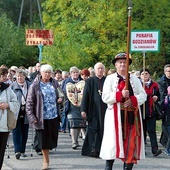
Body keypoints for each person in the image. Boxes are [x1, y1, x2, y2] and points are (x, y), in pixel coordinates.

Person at [99, 53, 147, 170]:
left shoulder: (135, 79)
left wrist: (133, 100)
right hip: (115, 118)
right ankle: (108, 167)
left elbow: (143, 95)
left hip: (131, 118)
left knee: (130, 145)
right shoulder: (109, 79)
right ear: (115, 65)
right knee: (112, 144)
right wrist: (120, 95)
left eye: (125, 62)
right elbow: (105, 97)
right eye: (120, 62)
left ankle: (127, 167)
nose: (122, 64)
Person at [26, 64, 62, 170]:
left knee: (52, 139)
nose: (47, 74)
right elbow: (29, 103)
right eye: (45, 72)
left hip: (53, 116)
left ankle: (47, 156)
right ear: (41, 73)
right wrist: (32, 117)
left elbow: (61, 94)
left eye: (49, 72)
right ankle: (46, 162)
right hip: (41, 118)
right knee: (44, 141)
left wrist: (60, 99)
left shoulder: (54, 83)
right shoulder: (35, 85)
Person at [81, 62, 107, 158]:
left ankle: (100, 149)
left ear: (104, 70)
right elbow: (85, 96)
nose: (100, 70)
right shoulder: (90, 81)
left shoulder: (107, 80)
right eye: (98, 68)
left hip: (105, 109)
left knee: (102, 129)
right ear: (95, 70)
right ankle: (92, 149)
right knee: (93, 129)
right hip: (93, 109)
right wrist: (83, 110)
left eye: (101, 68)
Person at [0, 67, 20, 169]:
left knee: (1, 152)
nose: (4, 77)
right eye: (2, 75)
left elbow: (16, 103)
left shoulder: (7, 89)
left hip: (4, 125)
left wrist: (8, 105)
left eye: (4, 75)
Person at [140, 68, 162, 156]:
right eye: (142, 74)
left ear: (149, 75)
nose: (144, 75)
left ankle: (155, 149)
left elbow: (159, 95)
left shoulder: (155, 85)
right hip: (141, 111)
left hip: (151, 111)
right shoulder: (138, 85)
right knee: (141, 131)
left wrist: (156, 97)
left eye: (146, 73)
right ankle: (142, 149)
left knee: (151, 130)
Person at [10, 69, 32, 159]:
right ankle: (17, 151)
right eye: (18, 76)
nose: (19, 78)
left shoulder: (30, 86)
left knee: (25, 132)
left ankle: (23, 150)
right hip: (15, 111)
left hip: (26, 111)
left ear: (25, 77)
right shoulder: (12, 86)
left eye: (21, 76)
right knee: (16, 131)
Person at [62, 66, 85, 149]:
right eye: (73, 72)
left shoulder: (82, 82)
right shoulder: (67, 81)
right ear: (70, 73)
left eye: (76, 72)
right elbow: (64, 91)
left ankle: (76, 140)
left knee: (78, 123)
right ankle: (74, 142)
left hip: (80, 105)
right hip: (70, 105)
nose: (75, 74)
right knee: (72, 122)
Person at [158, 64, 170, 156]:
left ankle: (164, 141)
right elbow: (162, 95)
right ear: (165, 72)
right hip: (166, 107)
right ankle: (167, 146)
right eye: (168, 71)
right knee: (166, 127)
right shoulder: (162, 82)